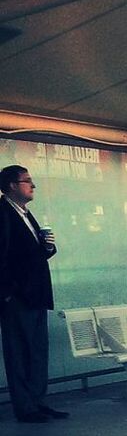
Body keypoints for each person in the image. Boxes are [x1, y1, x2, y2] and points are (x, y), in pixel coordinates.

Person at [0, 165, 66, 422]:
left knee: (38, 349)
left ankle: (38, 401)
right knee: (19, 351)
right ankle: (25, 406)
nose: (32, 185)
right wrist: (6, 293)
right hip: (17, 297)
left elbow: (31, 255)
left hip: (36, 294)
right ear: (12, 186)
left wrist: (47, 248)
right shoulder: (4, 213)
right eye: (26, 181)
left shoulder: (26, 214)